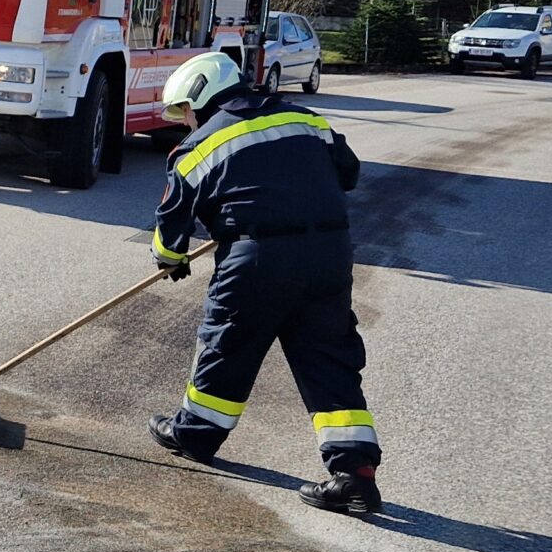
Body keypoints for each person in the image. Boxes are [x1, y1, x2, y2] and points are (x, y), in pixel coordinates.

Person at [145, 48, 384, 514]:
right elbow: (349, 174)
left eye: (186, 112)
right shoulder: (308, 120)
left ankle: (195, 435)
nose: (186, 121)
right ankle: (355, 474)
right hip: (329, 255)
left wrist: (170, 259)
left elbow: (171, 227)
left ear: (199, 99)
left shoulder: (199, 148)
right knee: (329, 359)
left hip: (258, 260)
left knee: (228, 344)